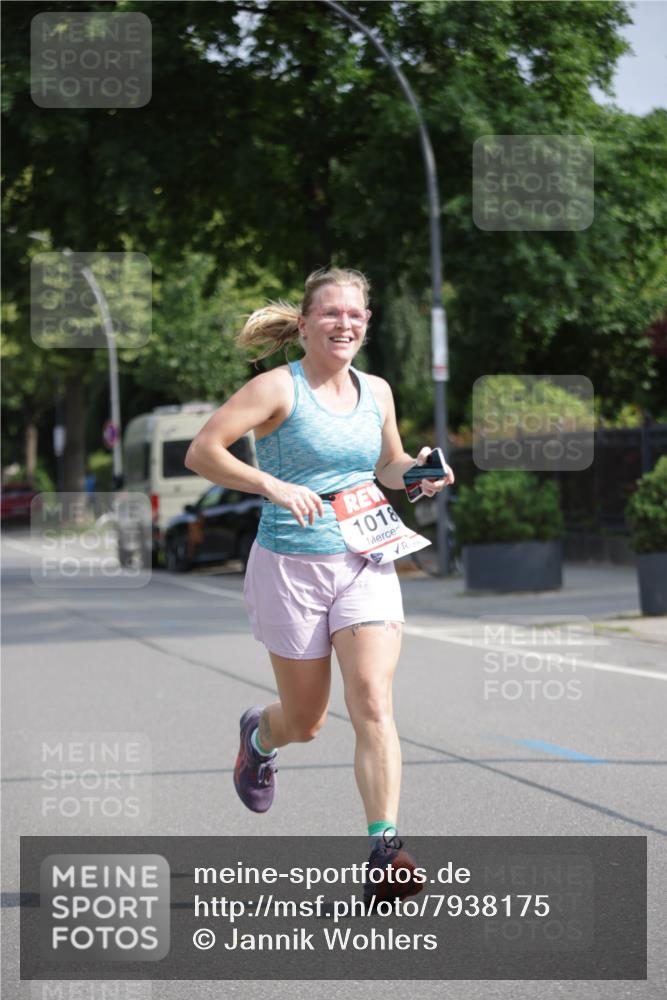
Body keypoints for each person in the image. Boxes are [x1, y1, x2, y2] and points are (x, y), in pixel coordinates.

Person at [185, 266, 454, 903]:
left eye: (355, 314)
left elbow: (386, 466)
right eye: (331, 313)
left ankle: (385, 849)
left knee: (373, 701)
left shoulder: (377, 390)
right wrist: (271, 484)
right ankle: (259, 738)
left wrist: (419, 471)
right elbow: (203, 452)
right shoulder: (277, 388)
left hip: (366, 558)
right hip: (291, 566)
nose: (344, 324)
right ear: (305, 324)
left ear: (366, 323)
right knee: (305, 721)